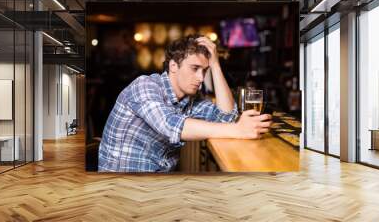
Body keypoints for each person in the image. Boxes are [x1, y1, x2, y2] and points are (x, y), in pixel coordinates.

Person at [98, 35, 272, 172]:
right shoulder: (145, 86)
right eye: (194, 68)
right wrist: (239, 130)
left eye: (204, 71)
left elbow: (226, 117)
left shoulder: (190, 100)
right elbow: (171, 125)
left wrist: (216, 65)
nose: (201, 78)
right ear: (173, 66)